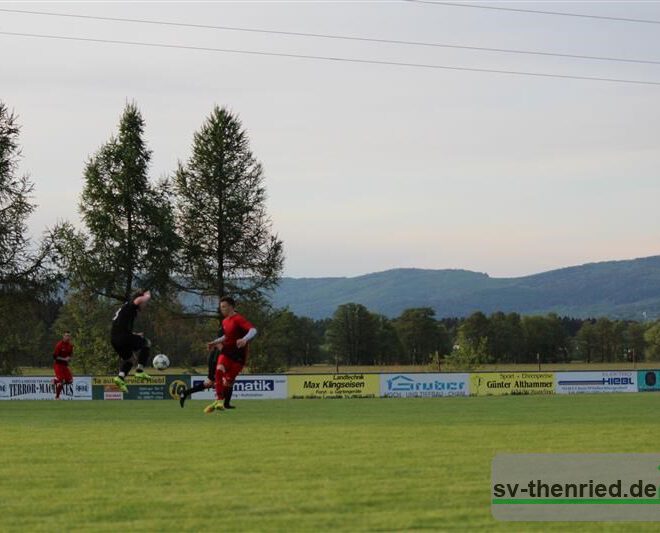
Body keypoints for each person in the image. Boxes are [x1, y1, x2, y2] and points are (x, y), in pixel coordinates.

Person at [203, 296, 257, 413]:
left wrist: (245, 339)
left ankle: (220, 402)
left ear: (231, 307)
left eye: (224, 307)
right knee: (218, 371)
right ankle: (219, 400)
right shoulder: (225, 321)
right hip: (227, 351)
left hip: (239, 355)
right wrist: (215, 342)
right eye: (221, 307)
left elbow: (253, 330)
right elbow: (226, 336)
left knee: (228, 381)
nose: (222, 309)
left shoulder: (238, 319)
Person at [110, 289, 153, 392]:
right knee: (146, 343)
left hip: (115, 339)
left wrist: (134, 334)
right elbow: (138, 299)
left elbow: (120, 327)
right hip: (122, 337)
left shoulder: (126, 309)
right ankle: (139, 371)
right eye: (145, 303)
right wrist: (147, 295)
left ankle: (120, 378)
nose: (145, 305)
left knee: (130, 360)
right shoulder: (131, 305)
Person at [52, 331, 74, 400]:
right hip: (58, 365)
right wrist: (64, 359)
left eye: (69, 336)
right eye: (66, 335)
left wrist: (69, 358)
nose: (68, 337)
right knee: (61, 381)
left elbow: (70, 355)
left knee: (70, 381)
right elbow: (55, 356)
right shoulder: (59, 345)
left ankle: (55, 380)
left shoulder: (70, 345)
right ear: (63, 336)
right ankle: (57, 397)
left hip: (65, 366)